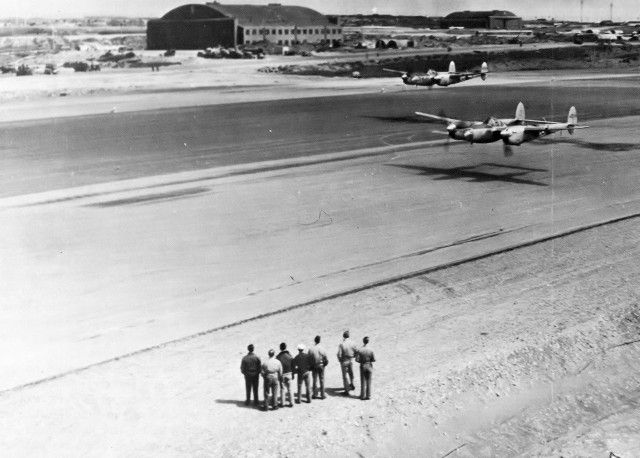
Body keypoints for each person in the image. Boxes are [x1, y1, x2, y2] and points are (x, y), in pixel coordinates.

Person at [337, 330, 357, 395]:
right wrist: (354, 356)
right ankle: (352, 383)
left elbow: (339, 354)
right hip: (350, 359)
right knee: (351, 373)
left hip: (344, 360)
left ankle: (346, 390)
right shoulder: (353, 343)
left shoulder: (342, 344)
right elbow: (356, 351)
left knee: (345, 376)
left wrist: (340, 360)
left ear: (343, 336)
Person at [308, 335, 329, 399]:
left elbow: (309, 358)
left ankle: (315, 394)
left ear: (315, 340)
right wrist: (324, 364)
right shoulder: (322, 348)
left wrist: (311, 365)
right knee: (322, 380)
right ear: (319, 340)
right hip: (321, 365)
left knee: (314, 380)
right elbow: (326, 358)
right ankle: (322, 394)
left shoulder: (311, 349)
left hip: (314, 366)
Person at [276, 342, 294, 407]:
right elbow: (293, 365)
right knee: (290, 389)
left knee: (282, 389)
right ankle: (291, 402)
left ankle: (282, 403)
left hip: (282, 374)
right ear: (286, 347)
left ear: (280, 348)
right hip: (289, 373)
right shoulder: (290, 356)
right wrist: (293, 374)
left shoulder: (278, 357)